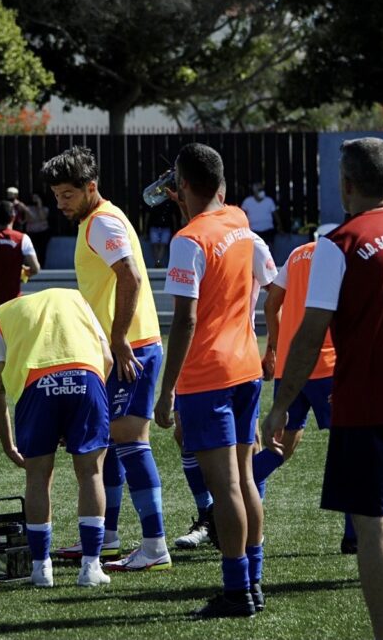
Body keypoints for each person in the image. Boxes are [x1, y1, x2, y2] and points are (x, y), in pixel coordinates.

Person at [262, 137, 383, 640]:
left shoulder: (340, 243)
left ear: (346, 185)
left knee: (371, 523)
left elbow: (309, 335)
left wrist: (281, 403)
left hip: (364, 402)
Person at [42, 146, 171, 573]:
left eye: (66, 195)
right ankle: (107, 540)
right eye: (56, 196)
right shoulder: (93, 222)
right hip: (116, 350)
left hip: (131, 348)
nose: (60, 204)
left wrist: (118, 340)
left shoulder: (103, 222)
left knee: (131, 441)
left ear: (90, 188)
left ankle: (155, 545)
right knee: (110, 445)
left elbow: (132, 276)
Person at [154, 142, 264, 618]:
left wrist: (165, 392)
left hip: (209, 376)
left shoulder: (188, 240)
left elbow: (184, 321)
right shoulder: (239, 220)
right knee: (244, 481)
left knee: (226, 489)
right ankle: (254, 583)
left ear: (179, 185)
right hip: (246, 367)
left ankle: (237, 591)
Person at [0, 288, 114, 588]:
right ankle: (91, 567)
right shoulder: (79, 299)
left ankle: (41, 568)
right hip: (87, 378)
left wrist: (8, 445)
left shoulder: (5, 315)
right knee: (92, 473)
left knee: (38, 478)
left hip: (37, 386)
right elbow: (106, 358)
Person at [260, 226, 358, 555]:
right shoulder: (342, 255)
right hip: (327, 365)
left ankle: (234, 502)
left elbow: (271, 305)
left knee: (279, 447)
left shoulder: (296, 255)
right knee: (350, 447)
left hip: (292, 368)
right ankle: (353, 534)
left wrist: (275, 346)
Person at [240, 182, 281, 250]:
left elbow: (276, 215)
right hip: (253, 232)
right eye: (259, 190)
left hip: (268, 231)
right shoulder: (247, 201)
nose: (262, 191)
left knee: (269, 251)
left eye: (262, 189)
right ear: (254, 191)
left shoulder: (269, 201)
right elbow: (242, 215)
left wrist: (280, 226)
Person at [145, 199, 178, 268]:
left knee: (158, 245)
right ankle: (158, 261)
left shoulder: (154, 202)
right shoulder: (167, 202)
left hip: (160, 226)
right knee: (159, 245)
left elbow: (173, 216)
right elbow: (173, 216)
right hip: (158, 226)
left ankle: (157, 261)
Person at [24, 193, 52, 268]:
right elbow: (30, 219)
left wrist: (39, 205)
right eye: (34, 197)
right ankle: (33, 265)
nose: (35, 199)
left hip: (43, 232)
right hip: (32, 232)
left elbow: (43, 217)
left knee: (42, 250)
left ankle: (42, 266)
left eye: (37, 198)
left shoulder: (45, 208)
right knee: (33, 249)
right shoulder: (28, 208)